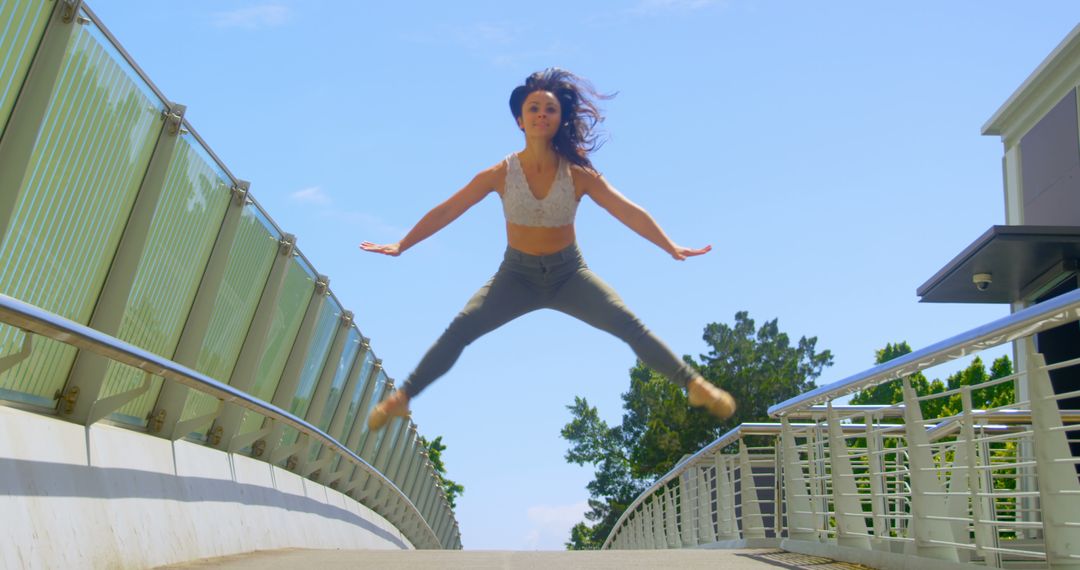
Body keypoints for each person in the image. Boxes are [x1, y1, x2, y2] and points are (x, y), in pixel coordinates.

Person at [360, 68, 735, 430]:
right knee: (461, 328)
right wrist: (402, 244)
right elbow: (448, 209)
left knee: (627, 324)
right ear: (520, 121)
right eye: (533, 109)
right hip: (516, 276)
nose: (541, 115)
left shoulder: (578, 174)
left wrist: (669, 246)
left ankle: (695, 386)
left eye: (550, 109)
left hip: (570, 274)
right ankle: (403, 397)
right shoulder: (499, 173)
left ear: (559, 118)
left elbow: (627, 210)